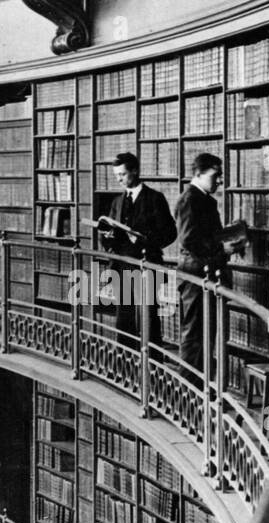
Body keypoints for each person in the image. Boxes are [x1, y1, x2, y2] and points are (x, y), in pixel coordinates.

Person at [99, 152, 176, 346]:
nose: (119, 179)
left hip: (146, 264)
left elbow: (170, 233)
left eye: (123, 174)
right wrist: (107, 238)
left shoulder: (154, 198)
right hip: (121, 265)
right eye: (116, 175)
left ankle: (153, 366)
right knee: (123, 316)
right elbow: (109, 234)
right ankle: (126, 366)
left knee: (149, 316)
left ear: (135, 171)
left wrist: (143, 239)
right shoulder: (117, 201)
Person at [175, 153, 236, 375]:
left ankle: (198, 387)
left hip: (204, 273)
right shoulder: (190, 199)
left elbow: (203, 235)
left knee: (204, 333)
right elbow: (190, 240)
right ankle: (187, 391)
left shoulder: (202, 199)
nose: (220, 180)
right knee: (194, 335)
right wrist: (222, 249)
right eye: (216, 175)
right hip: (195, 275)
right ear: (199, 174)